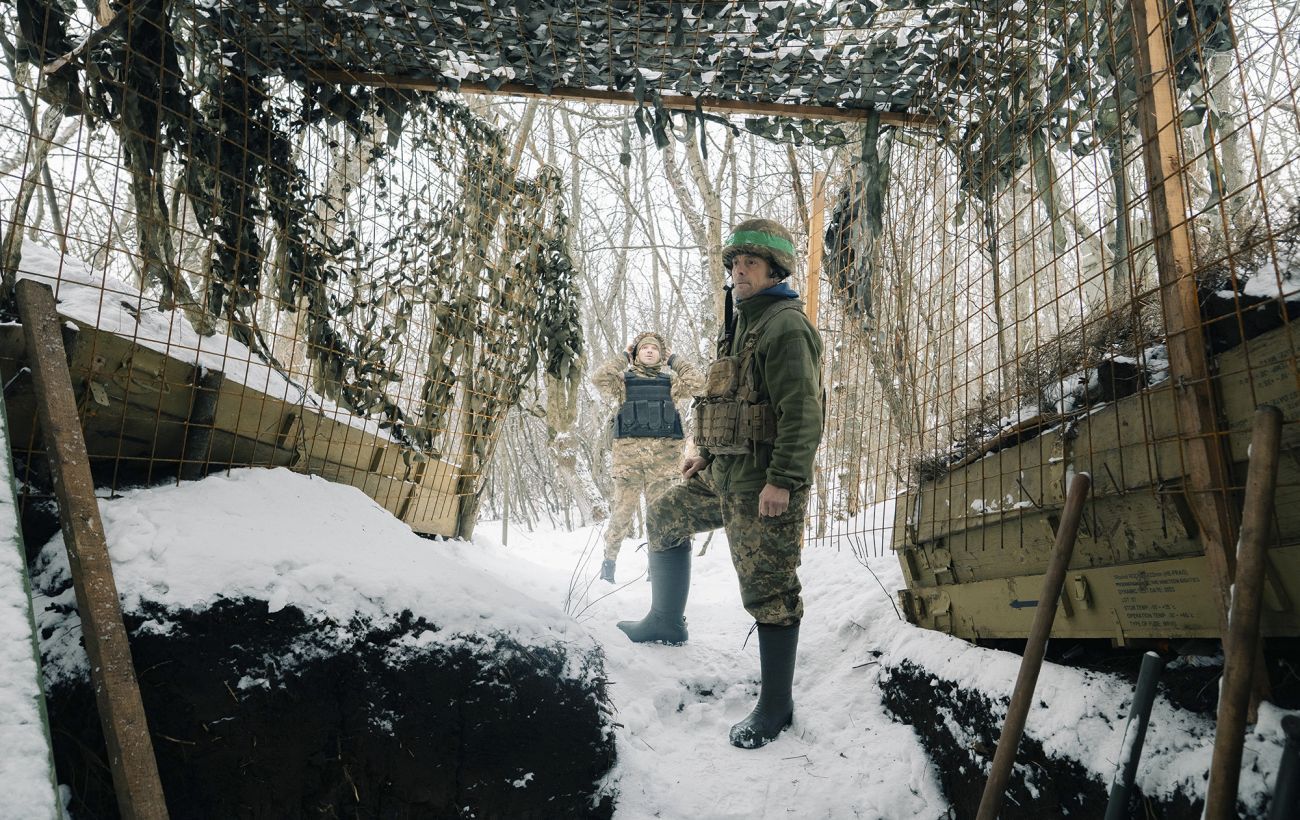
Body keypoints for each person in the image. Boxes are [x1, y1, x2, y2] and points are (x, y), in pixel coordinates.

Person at [616, 218, 824, 750]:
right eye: (734, 264)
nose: (738, 272)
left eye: (750, 263)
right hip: (724, 473)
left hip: (763, 484)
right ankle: (666, 620)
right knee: (664, 515)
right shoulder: (740, 324)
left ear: (775, 270)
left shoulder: (785, 327)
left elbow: (802, 415)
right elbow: (731, 400)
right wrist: (705, 453)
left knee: (768, 591)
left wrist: (782, 481)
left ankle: (776, 705)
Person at [591, 332, 703, 583]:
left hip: (662, 467)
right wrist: (623, 357)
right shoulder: (623, 382)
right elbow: (598, 378)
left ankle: (657, 569)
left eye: (655, 348)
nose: (650, 351)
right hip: (628, 464)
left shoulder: (671, 383)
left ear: (661, 354)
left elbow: (700, 384)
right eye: (644, 348)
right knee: (621, 515)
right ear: (636, 353)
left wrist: (674, 359)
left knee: (659, 516)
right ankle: (608, 565)